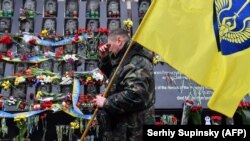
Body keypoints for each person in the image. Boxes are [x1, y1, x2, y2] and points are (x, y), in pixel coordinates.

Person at [94, 28, 155, 141]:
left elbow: (136, 95)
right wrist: (105, 58)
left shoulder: (136, 60)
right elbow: (117, 77)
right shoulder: (124, 57)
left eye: (110, 45)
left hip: (134, 130)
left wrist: (107, 102)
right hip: (124, 127)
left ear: (119, 41)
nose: (109, 49)